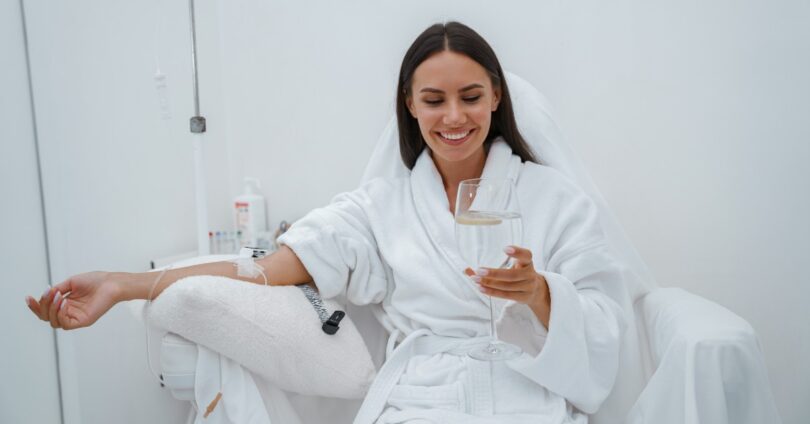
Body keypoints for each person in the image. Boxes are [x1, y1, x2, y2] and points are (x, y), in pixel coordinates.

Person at [26, 22, 628, 423]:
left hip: (523, 394)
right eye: (433, 99)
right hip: (419, 398)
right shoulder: (379, 208)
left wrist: (543, 293)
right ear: (410, 105)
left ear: (496, 97)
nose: (453, 117)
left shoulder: (554, 199)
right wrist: (123, 283)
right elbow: (264, 273)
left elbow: (604, 324)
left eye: (470, 96)